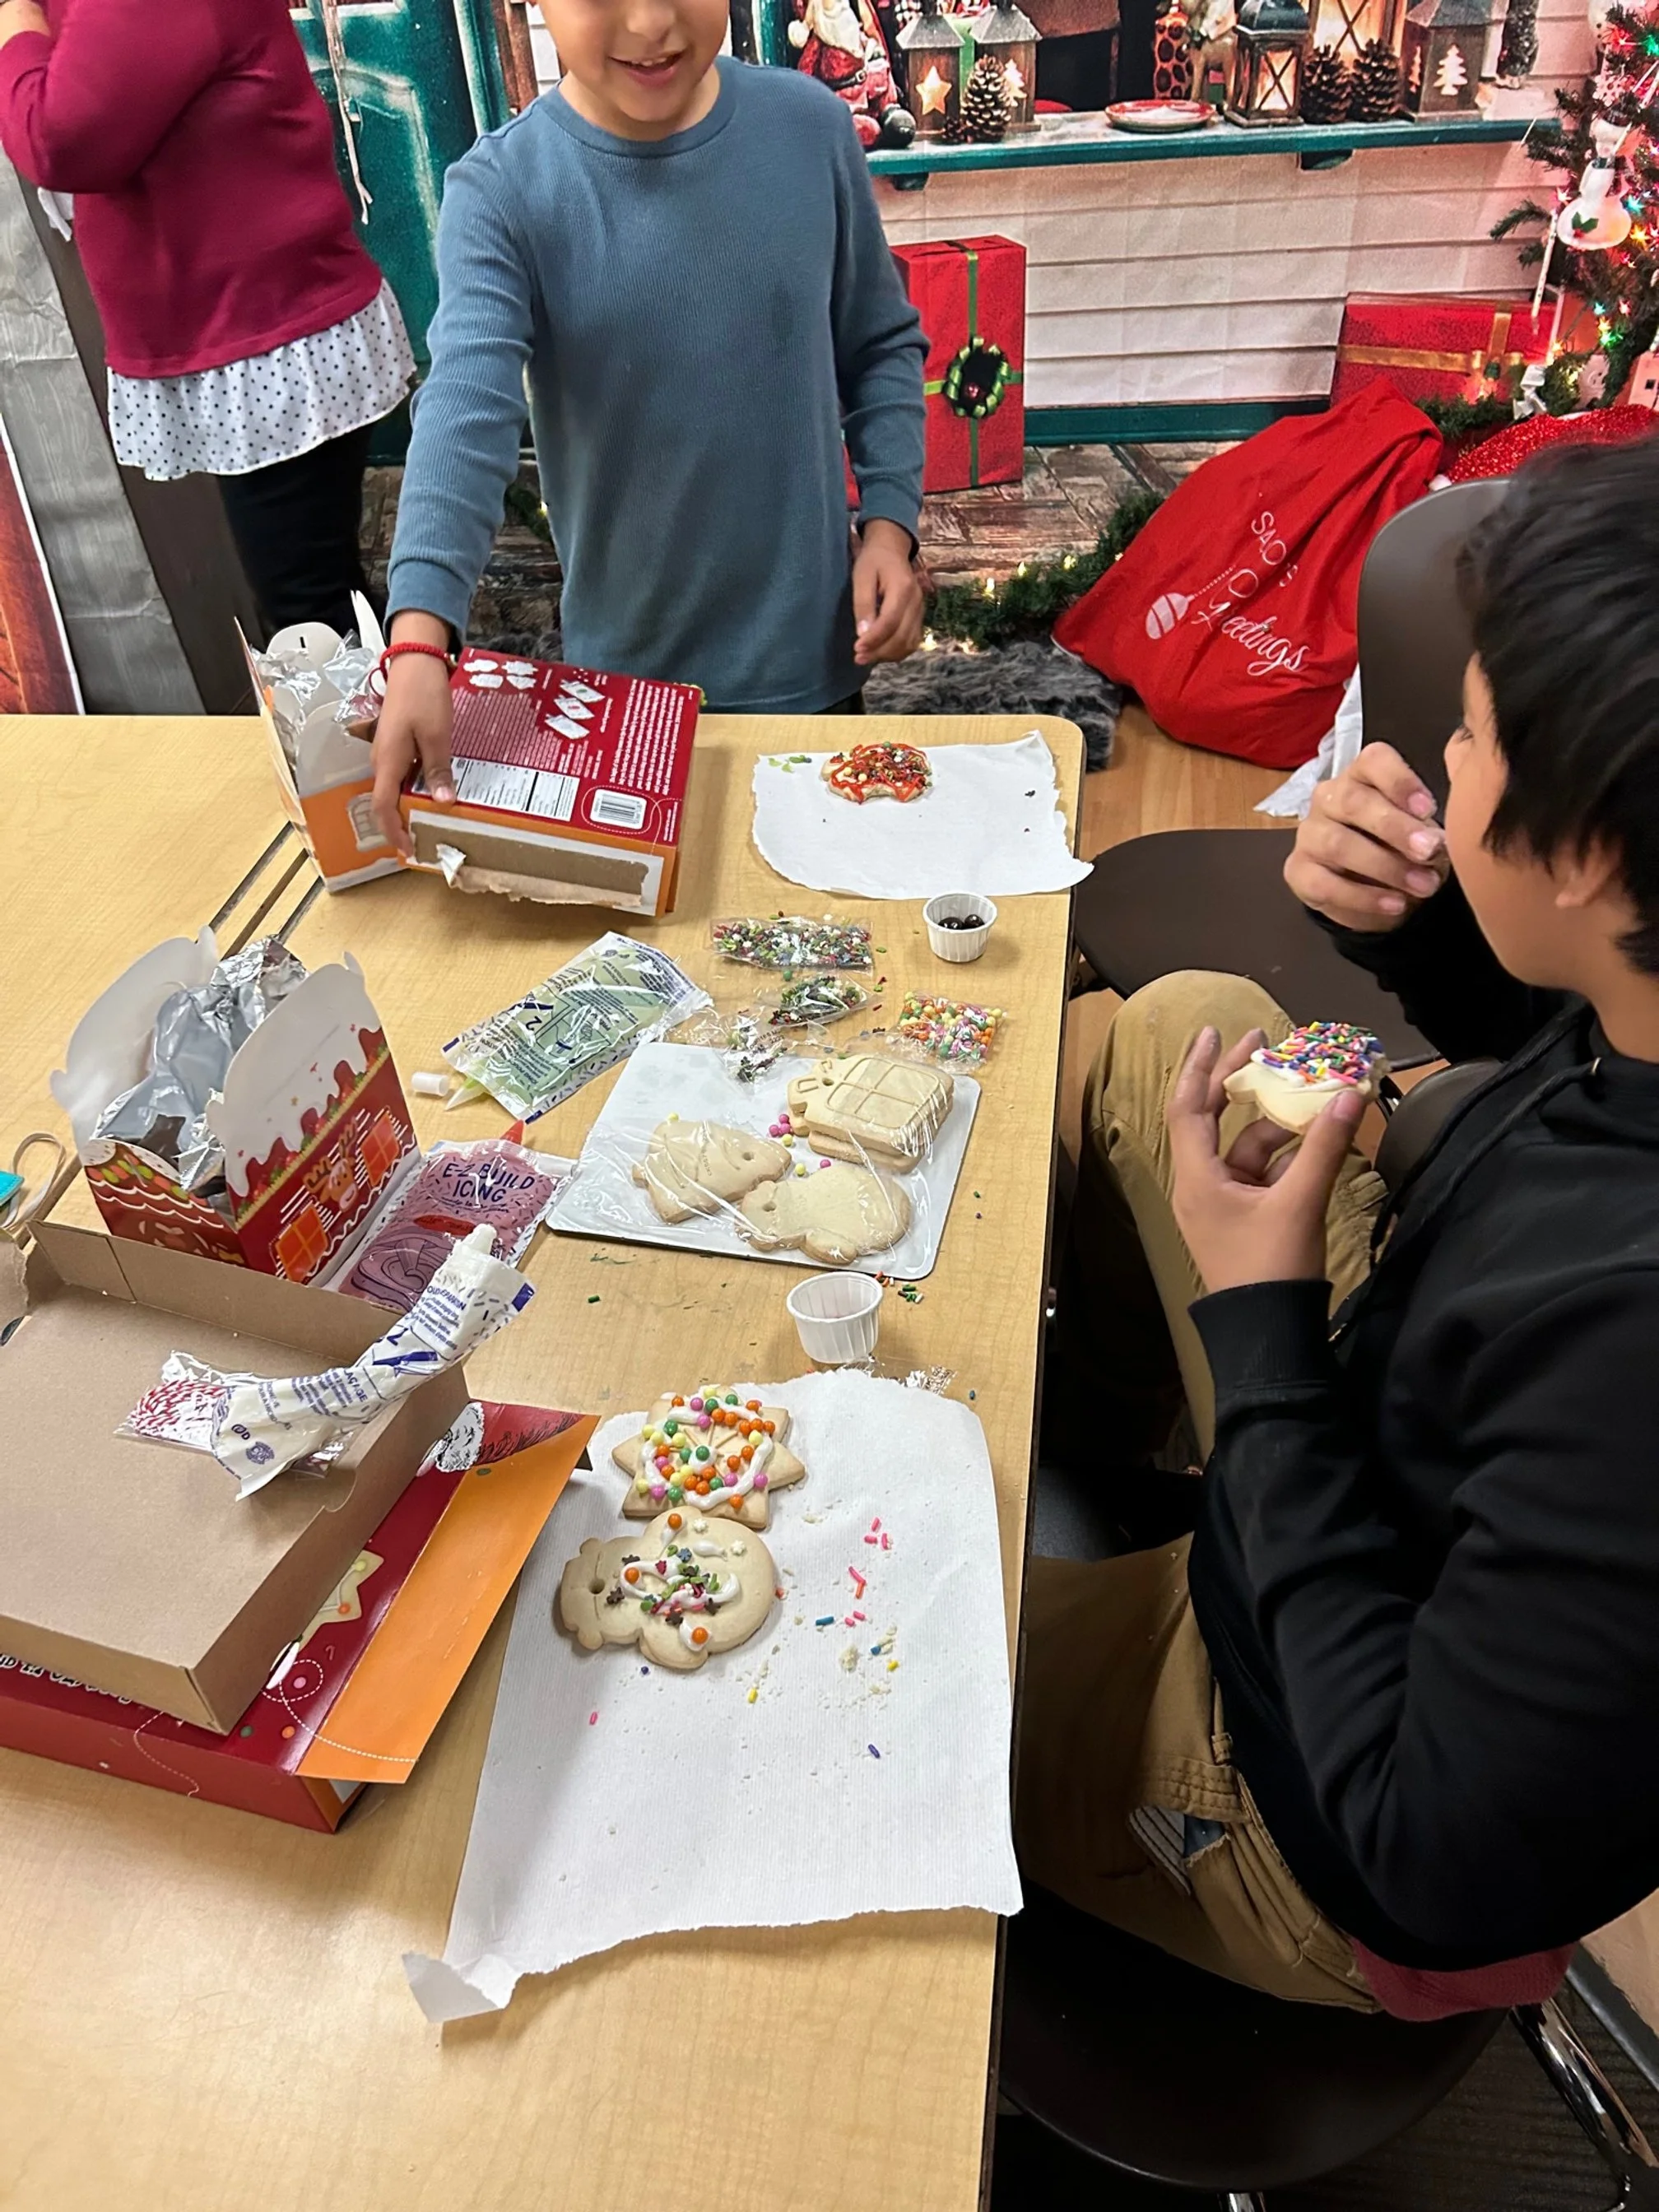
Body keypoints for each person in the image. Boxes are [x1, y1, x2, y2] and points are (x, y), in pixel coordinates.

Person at [1021, 439, 1659, 2019]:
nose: (1434, 755)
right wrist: (1416, 912)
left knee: (860, 1656)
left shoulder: (1629, 1357)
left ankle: (1141, 1596)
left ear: (1583, 855)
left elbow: (1414, 1849)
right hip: (1389, 1441)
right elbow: (1560, 1062)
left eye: (1475, 735)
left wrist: (1263, 1330)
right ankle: (1114, 1466)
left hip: (1310, 1807)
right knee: (1188, 1020)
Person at [368, 0, 927, 852]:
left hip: (809, 668)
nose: (650, 22)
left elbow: (879, 342)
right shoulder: (504, 191)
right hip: (624, 703)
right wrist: (418, 637)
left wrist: (890, 528)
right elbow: (466, 408)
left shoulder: (811, 131)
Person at [0, 0, 414, 640]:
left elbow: (61, 141)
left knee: (313, 618)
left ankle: (423, 729)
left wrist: (15, 20)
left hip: (264, 335)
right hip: (251, 328)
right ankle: (414, 718)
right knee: (319, 597)